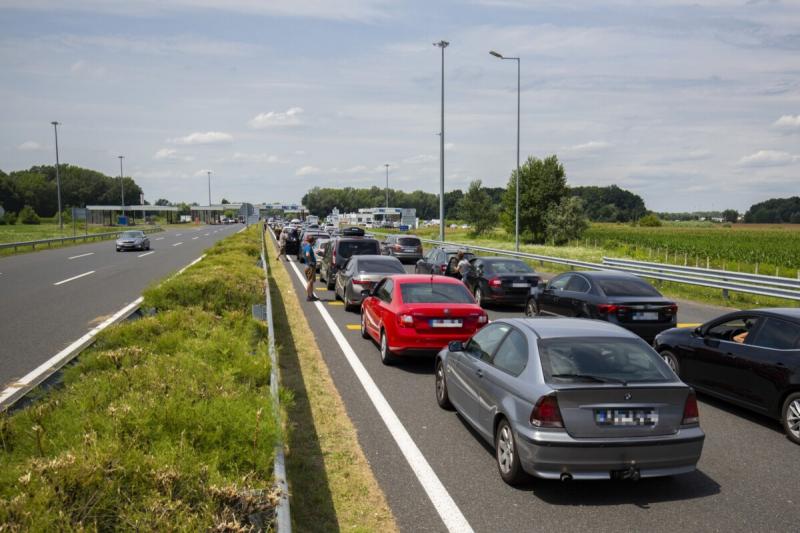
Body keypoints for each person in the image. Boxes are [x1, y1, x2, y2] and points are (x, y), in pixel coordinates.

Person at [303, 235, 319, 301]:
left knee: (311, 281)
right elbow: (307, 254)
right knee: (310, 281)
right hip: (310, 266)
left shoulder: (307, 246)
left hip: (309, 266)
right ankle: (309, 296)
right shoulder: (308, 247)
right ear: (312, 241)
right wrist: (310, 262)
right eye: (314, 241)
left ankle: (311, 295)